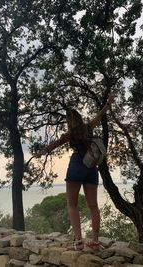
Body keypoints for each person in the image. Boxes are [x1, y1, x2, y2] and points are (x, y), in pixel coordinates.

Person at [37, 94, 114, 250]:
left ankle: (78, 241)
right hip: (91, 168)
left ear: (69, 121)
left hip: (77, 165)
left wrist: (42, 151)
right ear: (79, 118)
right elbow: (100, 115)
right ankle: (95, 241)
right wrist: (108, 103)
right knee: (93, 205)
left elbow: (55, 144)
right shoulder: (88, 127)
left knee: (72, 204)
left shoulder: (69, 135)